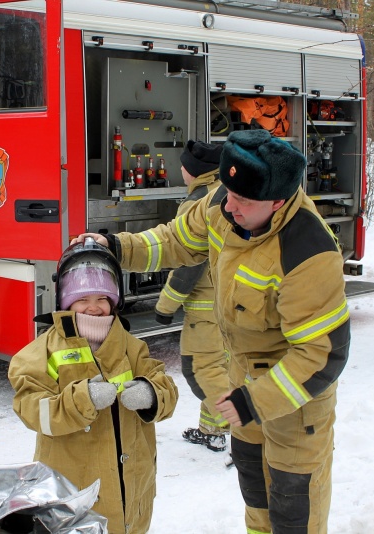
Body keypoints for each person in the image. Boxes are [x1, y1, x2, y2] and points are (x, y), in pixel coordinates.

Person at [75, 129, 351, 533]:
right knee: (255, 493)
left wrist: (255, 400)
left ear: (278, 202)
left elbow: (322, 354)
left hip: (293, 403)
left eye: (243, 201)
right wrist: (116, 247)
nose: (229, 207)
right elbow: (176, 240)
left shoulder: (308, 252)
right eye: (229, 193)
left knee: (293, 512)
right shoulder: (225, 200)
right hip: (244, 385)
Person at [8, 237, 179, 534]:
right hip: (74, 496)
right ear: (65, 300)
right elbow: (31, 408)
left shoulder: (131, 347)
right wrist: (81, 400)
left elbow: (167, 389)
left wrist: (152, 394)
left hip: (132, 491)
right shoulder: (42, 351)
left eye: (102, 298)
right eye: (83, 298)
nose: (94, 307)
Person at [154, 140, 230, 452]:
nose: (180, 171)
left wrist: (165, 306)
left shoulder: (197, 202)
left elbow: (190, 262)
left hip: (206, 306)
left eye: (184, 166)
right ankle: (211, 431)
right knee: (218, 367)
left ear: (196, 171)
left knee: (201, 369)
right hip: (223, 301)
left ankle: (246, 427)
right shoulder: (221, 191)